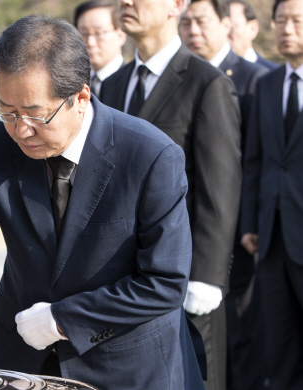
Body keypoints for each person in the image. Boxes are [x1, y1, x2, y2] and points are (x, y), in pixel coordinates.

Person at [0, 15, 207, 390]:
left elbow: (163, 283)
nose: (21, 130)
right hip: (21, 360)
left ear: (80, 98)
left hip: (125, 364)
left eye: (36, 114)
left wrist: (64, 319)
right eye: (7, 111)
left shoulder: (150, 155)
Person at [100, 0, 242, 388]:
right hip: (121, 281)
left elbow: (220, 187)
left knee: (194, 376)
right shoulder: (111, 85)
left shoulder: (206, 83)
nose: (125, 3)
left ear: (176, 5)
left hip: (182, 273)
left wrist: (208, 277)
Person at [179, 2, 268, 389]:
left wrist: (252, 223)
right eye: (187, 22)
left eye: (202, 21)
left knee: (242, 341)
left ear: (226, 25)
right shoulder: (180, 77)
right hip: (192, 236)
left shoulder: (254, 78)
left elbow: (250, 163)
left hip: (240, 236)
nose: (194, 29)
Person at [240, 0, 303, 388]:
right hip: (272, 235)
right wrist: (250, 221)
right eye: (280, 21)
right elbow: (256, 160)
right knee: (279, 345)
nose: (286, 29)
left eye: (296, 20)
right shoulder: (265, 84)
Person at [74, 0, 127, 96]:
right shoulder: (73, 84)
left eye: (99, 33)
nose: (90, 42)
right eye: (84, 34)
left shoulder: (131, 83)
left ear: (120, 35)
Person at [229, 0, 278, 70]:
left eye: (232, 26)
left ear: (252, 28)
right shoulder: (211, 72)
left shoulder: (271, 73)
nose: (226, 33)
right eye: (223, 26)